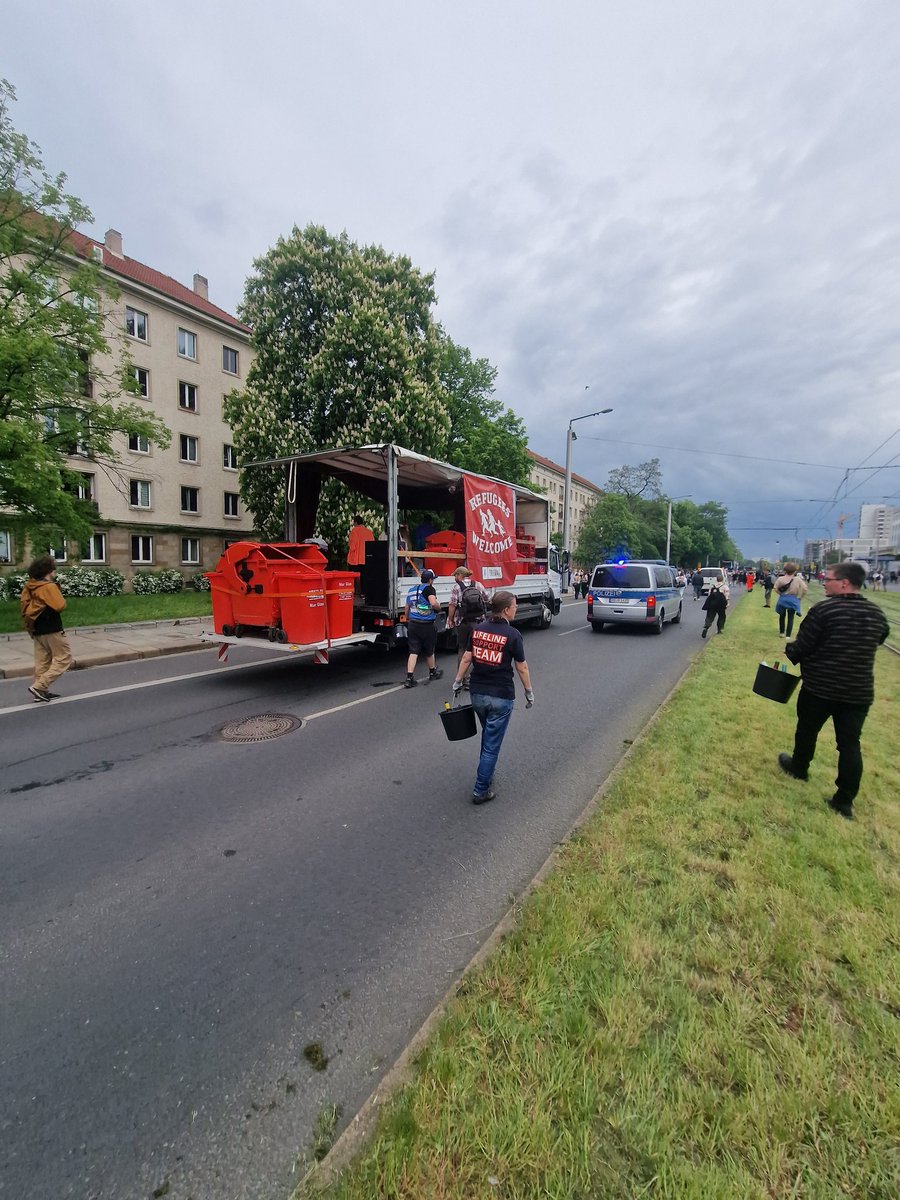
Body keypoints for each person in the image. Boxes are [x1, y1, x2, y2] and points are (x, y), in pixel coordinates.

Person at [778, 561, 890, 820]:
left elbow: (802, 646)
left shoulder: (824, 611)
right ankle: (844, 799)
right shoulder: (875, 613)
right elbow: (881, 637)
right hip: (858, 692)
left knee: (807, 729)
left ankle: (799, 766)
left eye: (828, 579)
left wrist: (791, 652)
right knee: (850, 744)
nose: (824, 582)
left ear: (844, 582)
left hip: (820, 687)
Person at [452, 590, 534, 804]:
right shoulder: (513, 635)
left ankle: (486, 774)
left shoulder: (478, 629)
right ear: (506, 610)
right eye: (515, 606)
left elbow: (467, 657)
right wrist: (528, 692)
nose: (516, 609)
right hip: (501, 696)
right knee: (491, 744)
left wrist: (458, 681)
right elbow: (522, 667)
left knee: (488, 737)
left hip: (478, 695)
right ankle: (481, 791)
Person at [20, 556, 73, 702]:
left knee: (42, 661)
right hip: (52, 629)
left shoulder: (29, 587)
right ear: (49, 571)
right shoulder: (48, 587)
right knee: (64, 658)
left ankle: (41, 692)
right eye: (53, 568)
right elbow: (60, 605)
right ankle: (39, 686)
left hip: (36, 629)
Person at [447, 566, 490, 689]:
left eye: (455, 575)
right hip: (478, 623)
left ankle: (463, 678)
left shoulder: (456, 587)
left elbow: (452, 605)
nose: (455, 578)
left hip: (463, 623)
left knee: (462, 649)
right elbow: (487, 599)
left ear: (460, 575)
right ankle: (478, 677)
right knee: (478, 649)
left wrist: (450, 619)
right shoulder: (478, 585)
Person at [403, 568, 443, 688]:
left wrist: (407, 618)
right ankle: (432, 672)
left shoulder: (412, 590)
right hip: (426, 625)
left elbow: (407, 607)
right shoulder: (429, 589)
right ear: (430, 580)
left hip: (413, 624)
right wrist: (438, 607)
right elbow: (432, 603)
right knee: (429, 650)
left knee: (413, 651)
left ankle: (409, 678)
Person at [774, 562, 808, 638]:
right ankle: (788, 635)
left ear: (785, 570)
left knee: (782, 616)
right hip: (793, 599)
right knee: (791, 617)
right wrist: (801, 597)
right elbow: (805, 588)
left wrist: (780, 594)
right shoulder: (798, 579)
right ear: (795, 571)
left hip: (783, 599)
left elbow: (775, 588)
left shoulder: (780, 579)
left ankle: (782, 632)